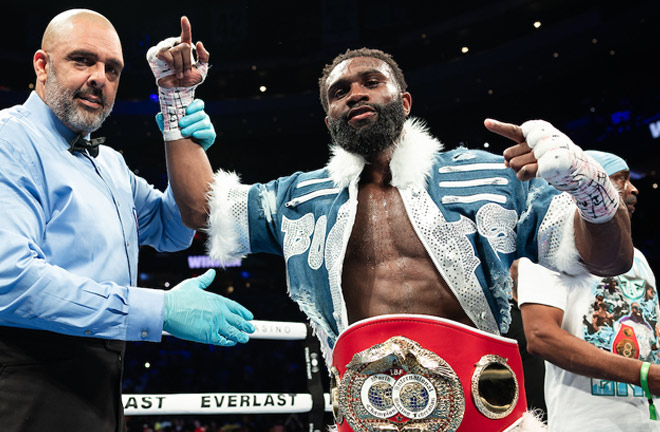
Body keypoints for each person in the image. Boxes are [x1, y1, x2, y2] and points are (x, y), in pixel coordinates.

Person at [155, 30, 633, 429]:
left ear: (403, 101)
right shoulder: (299, 199)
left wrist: (590, 188)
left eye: (370, 82)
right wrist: (176, 99)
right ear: (329, 120)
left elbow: (609, 260)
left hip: (485, 416)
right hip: (364, 415)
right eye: (340, 92)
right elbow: (201, 207)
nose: (355, 94)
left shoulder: (489, 177)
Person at [0, 9, 254, 431]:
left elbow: (175, 230)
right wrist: (161, 308)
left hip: (100, 383)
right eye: (83, 60)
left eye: (112, 69)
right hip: (24, 379)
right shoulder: (11, 140)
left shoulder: (110, 165)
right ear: (42, 66)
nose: (100, 77)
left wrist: (177, 118)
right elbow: (9, 281)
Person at [516, 150, 660, 431]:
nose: (633, 189)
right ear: (586, 190)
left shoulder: (638, 258)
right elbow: (541, 336)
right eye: (620, 180)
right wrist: (643, 374)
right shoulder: (544, 254)